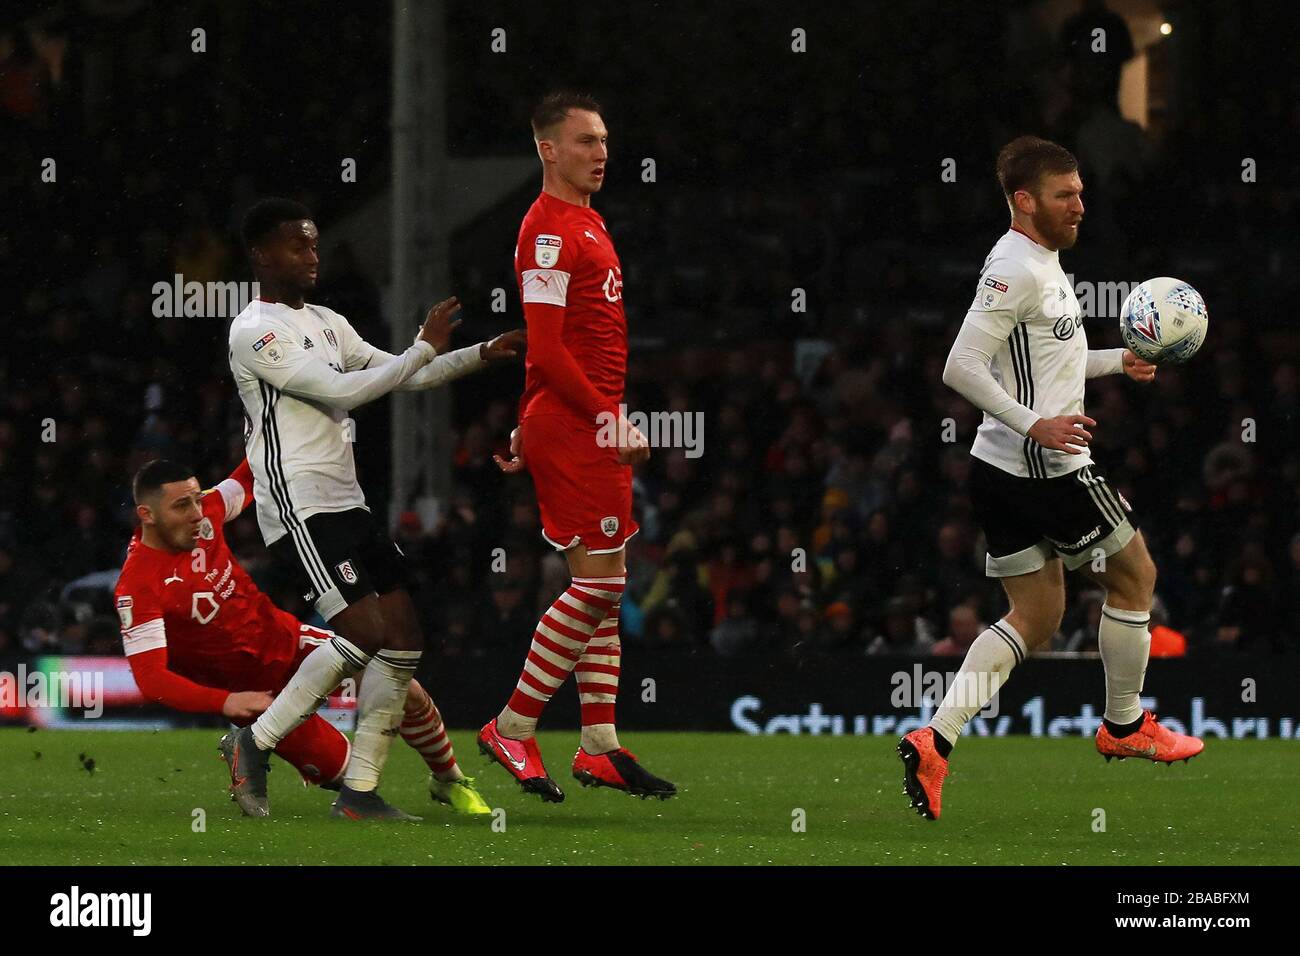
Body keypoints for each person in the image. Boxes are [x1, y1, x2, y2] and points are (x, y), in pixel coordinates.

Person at [897, 136, 1203, 822]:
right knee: (1137, 576)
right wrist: (1036, 425)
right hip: (1046, 468)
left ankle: (935, 737)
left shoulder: (1041, 263)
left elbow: (1047, 363)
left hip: (999, 469)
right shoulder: (1016, 270)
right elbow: (960, 366)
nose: (1080, 205)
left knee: (1035, 618)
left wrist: (1115, 361)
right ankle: (1124, 727)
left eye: (1081, 192)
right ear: (1024, 200)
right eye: (1065, 195)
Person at [223, 197, 524, 819]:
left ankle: (359, 793)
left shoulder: (330, 322)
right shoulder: (255, 330)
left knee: (405, 637)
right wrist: (420, 348)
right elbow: (342, 390)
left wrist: (479, 351)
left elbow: (401, 375)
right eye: (296, 246)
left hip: (347, 500)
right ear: (261, 255)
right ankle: (255, 740)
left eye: (313, 244)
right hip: (299, 504)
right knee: (363, 633)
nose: (311, 256)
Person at [479, 92, 676, 802]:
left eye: (604, 140)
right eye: (586, 141)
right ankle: (513, 723)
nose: (601, 152)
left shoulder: (585, 221)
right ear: (548, 150)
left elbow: (551, 352)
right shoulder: (549, 232)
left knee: (603, 584)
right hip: (578, 422)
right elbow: (549, 344)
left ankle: (598, 745)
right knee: (599, 588)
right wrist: (603, 419)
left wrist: (527, 418)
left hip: (566, 418)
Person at [115, 458, 490, 816]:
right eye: (182, 505)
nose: (197, 513)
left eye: (197, 499)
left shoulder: (207, 512)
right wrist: (225, 702)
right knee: (344, 772)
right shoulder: (137, 586)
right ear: (146, 515)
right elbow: (152, 679)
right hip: (254, 693)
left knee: (404, 689)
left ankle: (450, 779)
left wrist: (282, 422)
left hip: (288, 640)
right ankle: (248, 745)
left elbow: (250, 476)